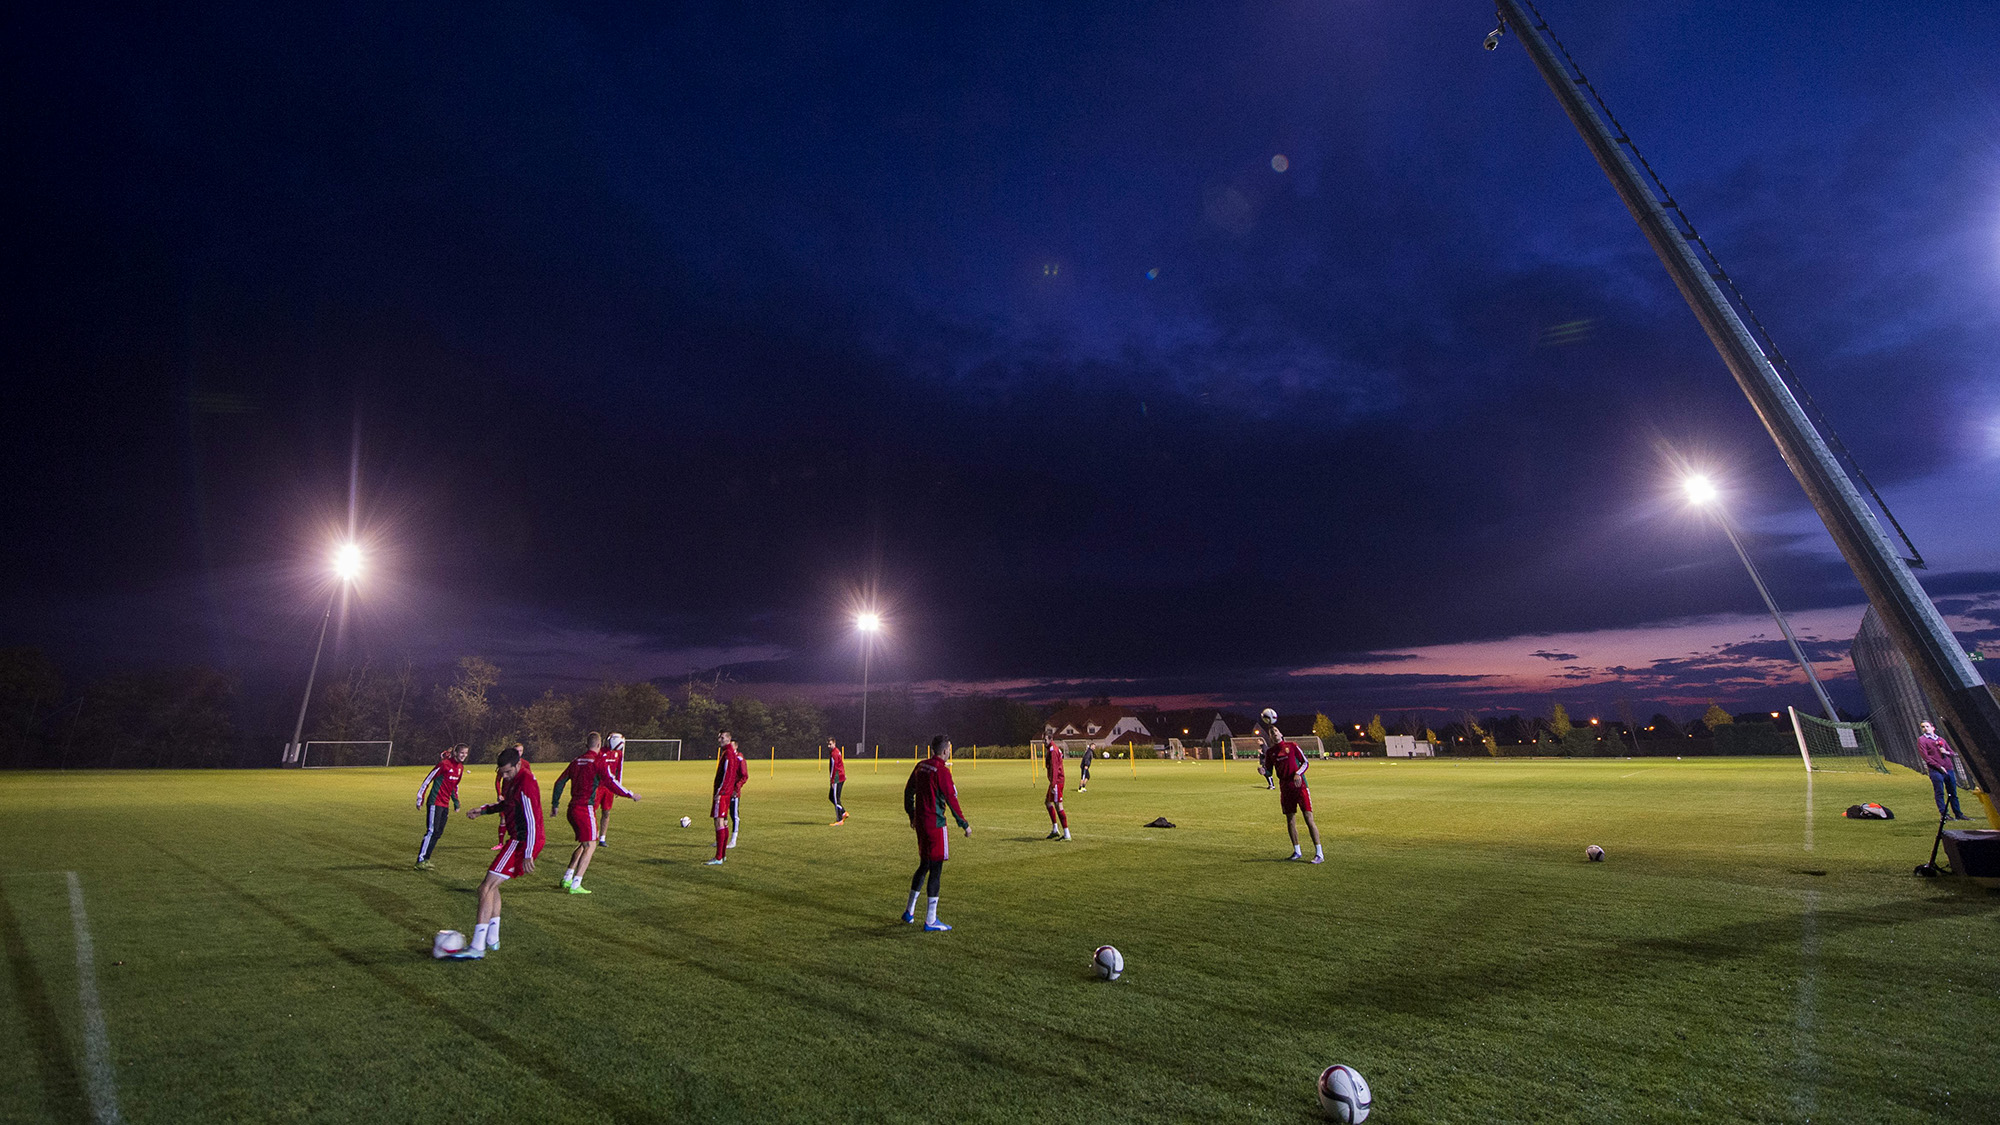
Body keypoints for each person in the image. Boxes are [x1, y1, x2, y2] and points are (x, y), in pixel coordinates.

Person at [449, 746, 543, 958]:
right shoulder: (513, 780)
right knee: (494, 886)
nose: (505, 776)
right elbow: (507, 805)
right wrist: (484, 810)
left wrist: (528, 852)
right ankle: (492, 939)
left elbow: (532, 819)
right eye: (502, 773)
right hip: (519, 840)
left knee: (485, 888)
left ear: (518, 765)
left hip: (522, 842)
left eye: (508, 772)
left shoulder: (525, 782)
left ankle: (477, 947)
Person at [551, 732, 641, 894]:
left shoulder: (576, 761)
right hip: (585, 808)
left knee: (585, 843)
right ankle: (576, 884)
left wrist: (555, 805)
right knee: (591, 845)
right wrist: (630, 794)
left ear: (587, 745)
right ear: (599, 745)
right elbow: (611, 782)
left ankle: (567, 877)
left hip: (572, 809)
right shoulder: (599, 761)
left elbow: (559, 782)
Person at [902, 735, 970, 931]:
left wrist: (911, 814)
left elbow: (908, 791)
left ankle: (909, 911)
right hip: (936, 824)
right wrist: (964, 824)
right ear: (945, 750)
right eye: (949, 748)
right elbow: (951, 800)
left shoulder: (921, 766)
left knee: (923, 865)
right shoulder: (942, 771)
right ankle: (931, 920)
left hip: (921, 823)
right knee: (936, 869)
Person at [1262, 721, 1324, 863]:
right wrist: (1263, 772)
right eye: (1272, 732)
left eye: (1276, 731)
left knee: (1308, 818)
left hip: (1299, 785)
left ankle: (1319, 853)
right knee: (1290, 820)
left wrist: (1298, 773)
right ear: (1270, 737)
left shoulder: (1292, 746)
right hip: (1285, 788)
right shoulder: (1270, 752)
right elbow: (1269, 771)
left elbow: (1305, 762)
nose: (1274, 733)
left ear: (1281, 734)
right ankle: (1297, 851)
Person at [415, 745, 467, 869]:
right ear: (455, 752)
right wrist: (420, 798)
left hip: (445, 804)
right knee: (431, 831)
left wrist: (456, 802)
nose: (464, 755)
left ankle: (426, 859)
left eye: (465, 753)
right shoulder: (444, 764)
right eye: (461, 753)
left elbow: (455, 786)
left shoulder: (460, 768)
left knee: (438, 832)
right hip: (435, 802)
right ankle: (421, 860)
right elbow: (428, 779)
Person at [706, 730, 748, 865]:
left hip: (723, 793)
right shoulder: (727, 753)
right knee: (723, 822)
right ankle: (722, 855)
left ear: (729, 739)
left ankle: (719, 857)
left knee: (720, 822)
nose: (720, 739)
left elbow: (728, 775)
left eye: (722, 737)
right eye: (719, 737)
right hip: (725, 792)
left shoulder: (729, 754)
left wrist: (721, 791)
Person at [1918, 720, 1969, 821]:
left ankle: (1958, 813)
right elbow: (1926, 757)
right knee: (1939, 792)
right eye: (1923, 727)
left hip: (1948, 768)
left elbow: (1952, 753)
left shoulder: (1941, 740)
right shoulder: (1922, 740)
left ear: (1933, 728)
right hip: (1936, 770)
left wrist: (1945, 751)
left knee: (1953, 792)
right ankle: (1944, 814)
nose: (1925, 729)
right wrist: (1938, 766)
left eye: (1927, 726)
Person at [594, 732, 627, 846]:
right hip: (598, 787)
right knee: (592, 811)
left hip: (609, 788)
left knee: (606, 812)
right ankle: (594, 834)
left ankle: (602, 838)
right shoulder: (600, 752)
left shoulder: (619, 754)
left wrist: (619, 786)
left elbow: (620, 770)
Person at [491, 742, 525, 850]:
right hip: (506, 796)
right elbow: (498, 780)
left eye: (521, 751)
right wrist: (499, 794)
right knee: (503, 819)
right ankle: (500, 843)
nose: (519, 753)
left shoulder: (525, 764)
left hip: (518, 796)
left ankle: (518, 842)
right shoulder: (506, 763)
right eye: (517, 751)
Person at [1043, 731, 1070, 840]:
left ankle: (1067, 833)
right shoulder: (1052, 748)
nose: (1044, 742)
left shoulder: (1053, 750)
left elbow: (1054, 768)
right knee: (1047, 802)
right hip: (1055, 781)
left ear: (1050, 739)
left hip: (1057, 781)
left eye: (1045, 740)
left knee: (1058, 805)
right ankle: (1055, 829)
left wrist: (1053, 784)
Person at [826, 737, 848, 825]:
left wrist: (832, 781)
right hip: (840, 776)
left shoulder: (834, 753)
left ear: (834, 743)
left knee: (835, 798)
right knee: (831, 797)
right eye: (828, 744)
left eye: (830, 744)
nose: (829, 746)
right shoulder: (837, 751)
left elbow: (834, 768)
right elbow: (840, 764)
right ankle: (843, 813)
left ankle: (839, 819)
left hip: (837, 778)